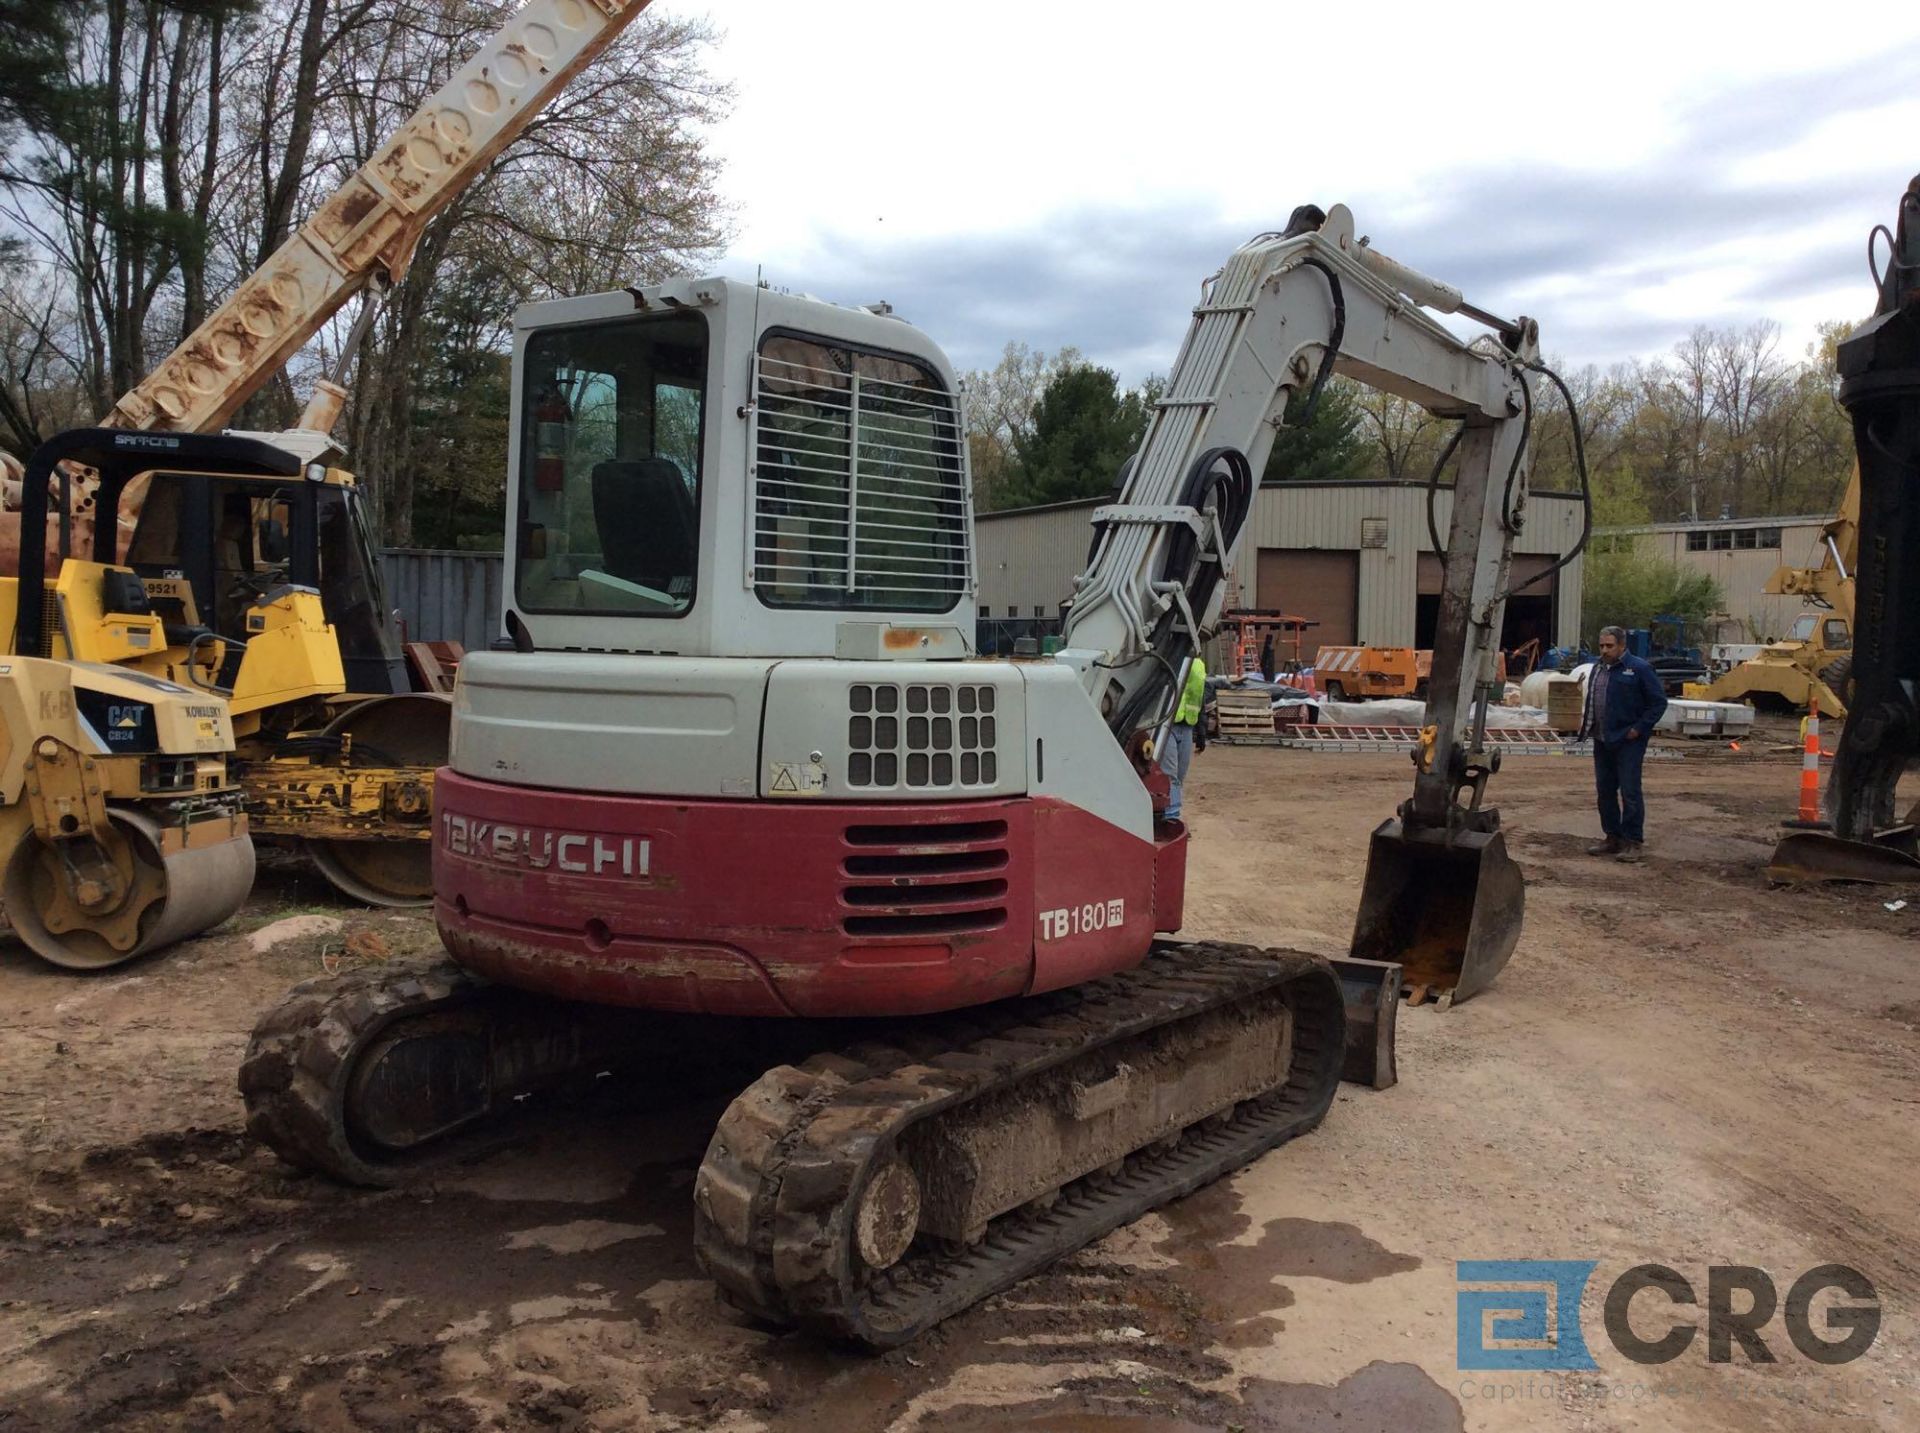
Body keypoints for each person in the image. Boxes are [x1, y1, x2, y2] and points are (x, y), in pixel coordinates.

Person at [1580, 625, 1668, 863]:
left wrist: (1638, 729)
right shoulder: (1599, 668)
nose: (1605, 650)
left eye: (1610, 646)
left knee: (1629, 791)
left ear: (1622, 646)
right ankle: (1612, 836)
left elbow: (1658, 703)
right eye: (1602, 646)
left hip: (1628, 740)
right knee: (1605, 791)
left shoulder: (1639, 669)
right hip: (1603, 738)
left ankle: (1633, 841)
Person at [1161, 652, 1208, 824]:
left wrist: (1201, 732)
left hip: (1187, 726)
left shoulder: (1199, 664)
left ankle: (1167, 812)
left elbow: (1200, 699)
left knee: (1180, 776)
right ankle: (1171, 817)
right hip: (1167, 724)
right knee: (1170, 774)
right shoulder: (1171, 655)